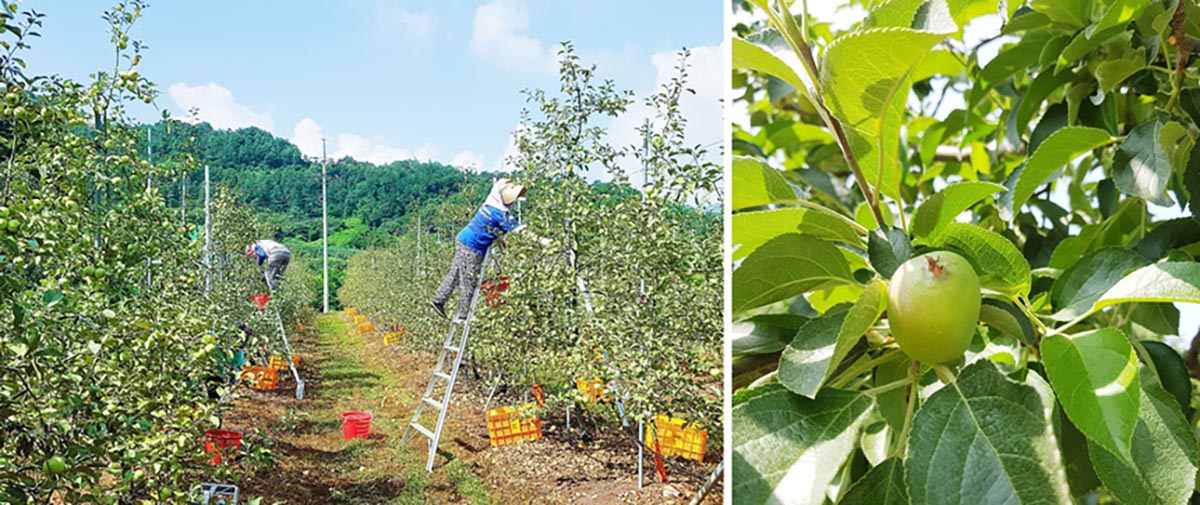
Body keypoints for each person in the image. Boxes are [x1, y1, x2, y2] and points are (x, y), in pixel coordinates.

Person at [431, 178, 549, 321]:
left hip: (463, 239)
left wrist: (499, 239)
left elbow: (488, 226)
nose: (513, 202)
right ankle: (464, 314)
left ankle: (439, 299)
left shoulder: (490, 205)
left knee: (455, 274)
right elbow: (519, 230)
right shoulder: (501, 214)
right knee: (469, 280)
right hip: (472, 246)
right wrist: (542, 241)